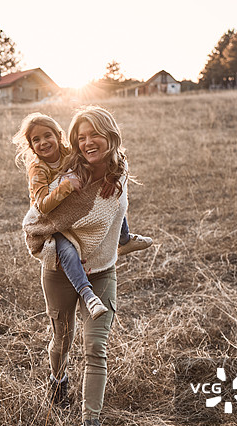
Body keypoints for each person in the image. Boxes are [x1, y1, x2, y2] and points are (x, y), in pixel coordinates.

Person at [22, 106, 133, 426]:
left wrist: (113, 242)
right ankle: (57, 380)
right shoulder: (70, 174)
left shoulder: (120, 171)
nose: (87, 143)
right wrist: (69, 242)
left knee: (95, 348)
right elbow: (38, 216)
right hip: (61, 268)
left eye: (93, 135)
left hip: (102, 271)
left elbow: (116, 214)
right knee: (62, 339)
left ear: (110, 135)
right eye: (81, 137)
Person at [13, 112, 152, 323]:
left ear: (59, 136)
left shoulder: (70, 152)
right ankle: (88, 295)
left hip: (74, 209)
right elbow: (42, 206)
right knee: (66, 247)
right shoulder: (38, 169)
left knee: (110, 201)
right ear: (31, 147)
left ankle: (125, 239)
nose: (43, 142)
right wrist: (66, 186)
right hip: (52, 221)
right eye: (36, 140)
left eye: (47, 135)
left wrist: (111, 175)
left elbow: (108, 157)